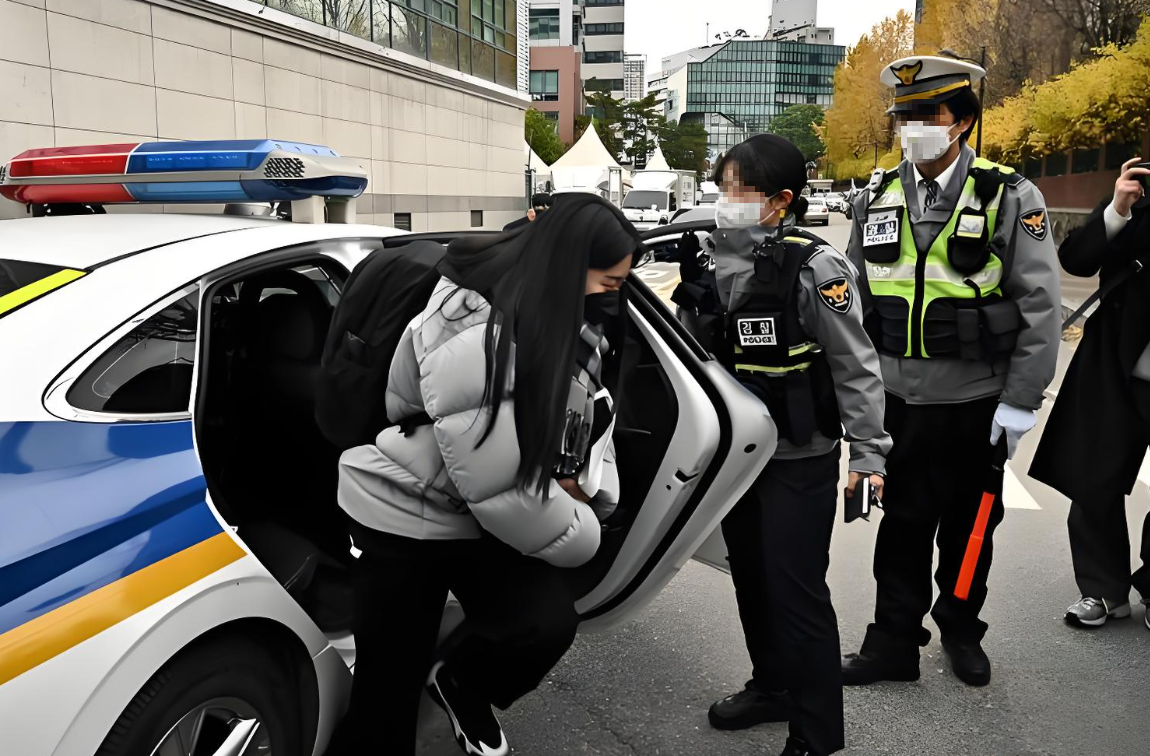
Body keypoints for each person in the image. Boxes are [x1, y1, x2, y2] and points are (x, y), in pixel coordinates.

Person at [329, 194, 643, 756]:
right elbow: (497, 493)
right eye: (610, 282)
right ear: (570, 264)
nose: (612, 297)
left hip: (475, 507)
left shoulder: (561, 314)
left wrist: (588, 486)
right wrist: (586, 525)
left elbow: (587, 415)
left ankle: (457, 683)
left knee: (540, 623)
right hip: (405, 509)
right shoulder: (474, 326)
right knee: (385, 699)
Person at [842, 56, 1061, 688]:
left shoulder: (1009, 195)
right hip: (896, 400)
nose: (911, 128)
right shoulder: (875, 196)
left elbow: (1041, 305)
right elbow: (852, 302)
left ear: (962, 122)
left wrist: (1021, 402)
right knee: (901, 524)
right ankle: (893, 643)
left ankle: (961, 628)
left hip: (977, 401)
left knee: (970, 530)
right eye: (902, 116)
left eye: (926, 115)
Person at [673, 134, 891, 756]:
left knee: (798, 592)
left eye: (738, 190)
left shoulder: (812, 268)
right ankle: (772, 687)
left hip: (799, 458)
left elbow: (856, 365)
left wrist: (869, 454)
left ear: (780, 200)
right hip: (737, 461)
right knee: (752, 580)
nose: (725, 201)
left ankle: (817, 732)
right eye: (721, 188)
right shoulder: (708, 263)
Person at [1030, 157, 1150, 631]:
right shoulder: (1136, 196)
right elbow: (1076, 259)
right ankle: (1103, 590)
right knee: (1094, 477)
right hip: (1115, 365)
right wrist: (1118, 207)